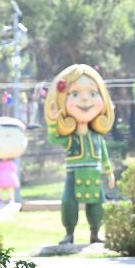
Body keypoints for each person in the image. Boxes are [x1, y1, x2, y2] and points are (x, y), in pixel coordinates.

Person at [44, 64, 116, 244]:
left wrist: (109, 173)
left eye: (93, 93)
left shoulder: (97, 137)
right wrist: (52, 122)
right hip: (73, 175)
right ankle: (69, 234)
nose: (85, 99)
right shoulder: (71, 138)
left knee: (98, 203)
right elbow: (53, 138)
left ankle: (95, 233)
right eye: (75, 94)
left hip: (94, 175)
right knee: (69, 203)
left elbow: (104, 156)